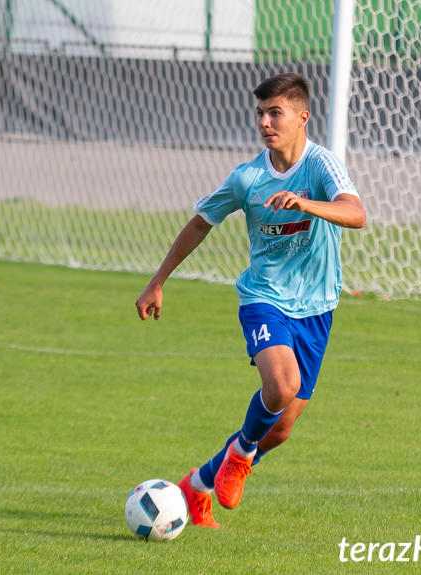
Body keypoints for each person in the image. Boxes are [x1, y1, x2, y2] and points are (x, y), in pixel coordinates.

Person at [135, 73, 365, 528]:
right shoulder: (247, 177)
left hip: (317, 308)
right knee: (279, 387)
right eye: (260, 113)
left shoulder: (322, 166)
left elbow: (355, 213)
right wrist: (158, 280)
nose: (264, 121)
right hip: (263, 299)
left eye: (274, 112)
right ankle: (240, 456)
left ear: (302, 117)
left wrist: (306, 204)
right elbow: (201, 222)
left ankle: (196, 486)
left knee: (279, 429)